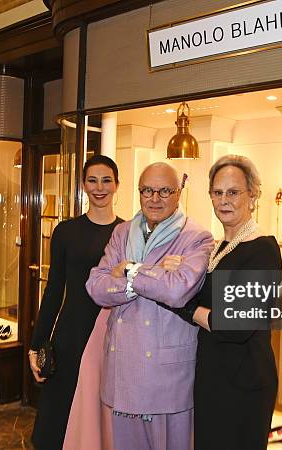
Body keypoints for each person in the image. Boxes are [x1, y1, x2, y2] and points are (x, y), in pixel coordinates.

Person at [85, 162, 214, 450]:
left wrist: (130, 269)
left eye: (165, 191)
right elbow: (96, 286)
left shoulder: (197, 237)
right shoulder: (122, 232)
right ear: (139, 192)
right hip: (122, 371)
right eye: (147, 191)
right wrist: (155, 274)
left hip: (166, 378)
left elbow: (178, 290)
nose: (155, 199)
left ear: (179, 192)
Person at [170, 155, 282, 450]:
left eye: (233, 192)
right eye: (217, 192)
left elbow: (236, 325)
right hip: (211, 375)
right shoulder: (218, 247)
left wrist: (188, 308)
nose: (224, 200)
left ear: (253, 195)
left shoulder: (262, 249)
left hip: (244, 383)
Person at [29, 155, 123, 450]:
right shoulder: (65, 232)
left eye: (106, 180)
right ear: (83, 185)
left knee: (101, 412)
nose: (99, 187)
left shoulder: (128, 232)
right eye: (92, 180)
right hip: (70, 335)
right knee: (60, 415)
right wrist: (37, 343)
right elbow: (54, 290)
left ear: (117, 185)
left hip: (112, 335)